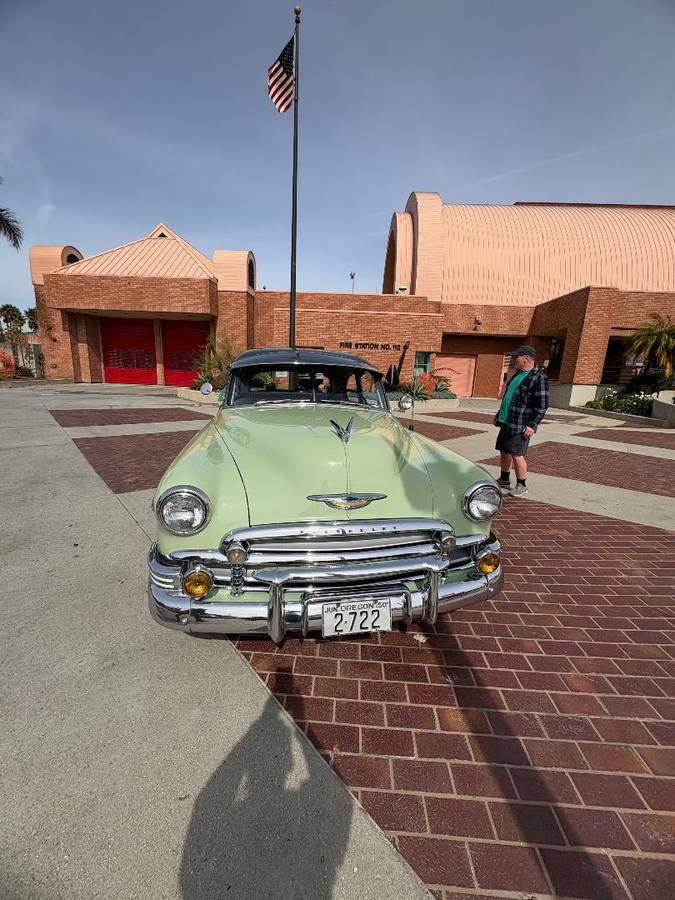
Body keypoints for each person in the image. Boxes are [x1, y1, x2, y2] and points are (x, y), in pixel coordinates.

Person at [494, 345, 549, 497]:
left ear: (526, 358)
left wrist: (533, 424)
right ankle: (504, 479)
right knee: (504, 450)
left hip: (520, 424)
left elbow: (542, 405)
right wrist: (499, 414)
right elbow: (509, 397)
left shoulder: (538, 377)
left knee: (517, 454)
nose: (513, 360)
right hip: (506, 421)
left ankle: (521, 484)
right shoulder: (518, 374)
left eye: (516, 357)